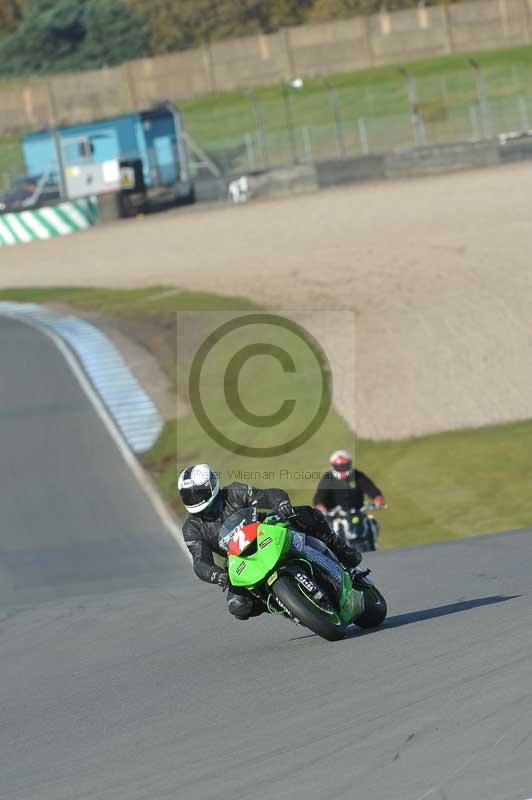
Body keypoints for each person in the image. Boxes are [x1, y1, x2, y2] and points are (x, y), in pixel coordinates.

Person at [178, 463, 362, 621]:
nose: (194, 499)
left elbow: (267, 495)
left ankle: (341, 551)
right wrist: (215, 574)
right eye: (188, 495)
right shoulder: (191, 528)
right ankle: (284, 604)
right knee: (238, 606)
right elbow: (200, 561)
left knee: (305, 514)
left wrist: (280, 503)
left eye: (197, 492)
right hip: (242, 559)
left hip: (267, 531)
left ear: (211, 485)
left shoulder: (234, 492)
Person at [313, 449, 386, 515]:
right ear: (333, 466)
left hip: (357, 513)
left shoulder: (358, 476)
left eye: (344, 466)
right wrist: (320, 506)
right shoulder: (327, 479)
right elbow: (320, 496)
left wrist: (377, 497)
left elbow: (370, 488)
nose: (342, 470)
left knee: (371, 526)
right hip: (334, 516)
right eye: (338, 467)